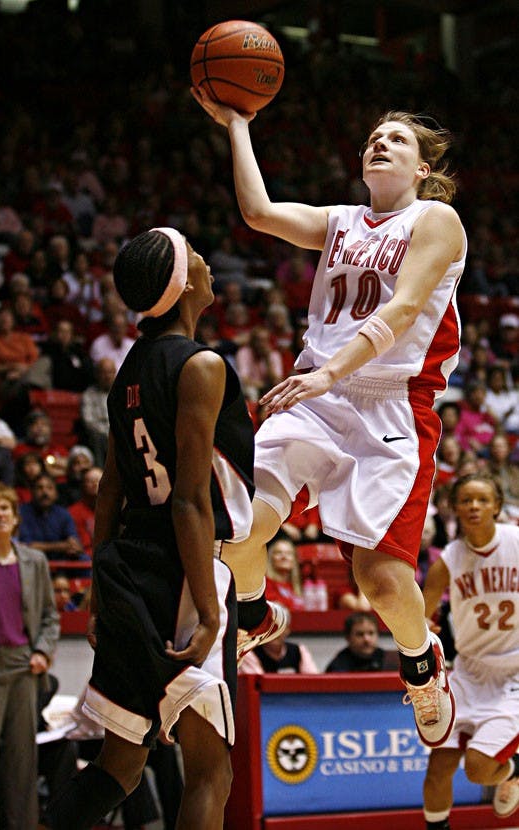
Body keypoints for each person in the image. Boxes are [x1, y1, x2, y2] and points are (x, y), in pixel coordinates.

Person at [194, 94, 466, 746]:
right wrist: (238, 124)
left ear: (423, 168)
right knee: (237, 526)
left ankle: (422, 663)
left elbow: (401, 311)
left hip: (391, 402)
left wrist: (330, 371)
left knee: (377, 579)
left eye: (397, 139)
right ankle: (256, 613)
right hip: (317, 396)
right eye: (375, 136)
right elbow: (258, 212)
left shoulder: (437, 220)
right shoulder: (343, 221)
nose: (381, 143)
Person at [41, 226, 281, 830]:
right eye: (196, 256)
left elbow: (112, 489)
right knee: (211, 771)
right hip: (185, 570)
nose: (207, 262)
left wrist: (100, 590)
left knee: (118, 767)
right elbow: (191, 503)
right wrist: (207, 608)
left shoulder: (129, 370)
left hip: (129, 565)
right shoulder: (201, 366)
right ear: (183, 285)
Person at [421, 473, 519, 828]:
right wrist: (423, 627)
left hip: (513, 675)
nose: (474, 507)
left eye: (482, 500)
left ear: (496, 506)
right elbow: (420, 614)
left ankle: (514, 771)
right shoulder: (449, 559)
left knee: (479, 770)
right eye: (466, 501)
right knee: (438, 769)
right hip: (468, 672)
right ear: (454, 508)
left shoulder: (516, 542)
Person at [0, 482, 60, 829]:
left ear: (15, 517)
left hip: (23, 666)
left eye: (4, 508)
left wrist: (41, 651)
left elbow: (51, 616)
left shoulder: (34, 562)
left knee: (21, 761)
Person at [239, 608, 318, 674]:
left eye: (280, 627)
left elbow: (314, 681)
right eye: (270, 627)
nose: (275, 633)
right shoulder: (249, 653)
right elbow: (259, 685)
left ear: (288, 630)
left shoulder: (299, 650)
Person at [325, 612, 398, 673]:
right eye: (360, 634)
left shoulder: (389, 660)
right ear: (348, 637)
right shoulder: (338, 666)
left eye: (371, 633)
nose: (366, 639)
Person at [265, 536, 305, 611]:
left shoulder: (297, 585)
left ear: (294, 559)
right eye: (278, 553)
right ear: (271, 558)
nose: (284, 557)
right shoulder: (265, 585)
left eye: (289, 553)